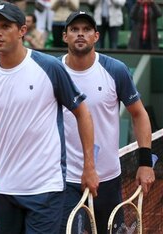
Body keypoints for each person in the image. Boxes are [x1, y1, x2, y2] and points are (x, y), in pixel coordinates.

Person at [0, 2, 99, 233]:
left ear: (22, 30)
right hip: (5, 190)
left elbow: (82, 112)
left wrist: (89, 167)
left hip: (46, 188)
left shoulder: (49, 67)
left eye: (5, 26)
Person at [60, 11, 155, 233]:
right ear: (65, 36)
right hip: (65, 181)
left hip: (109, 180)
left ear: (96, 36)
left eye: (86, 30)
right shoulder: (55, 71)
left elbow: (139, 114)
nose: (80, 34)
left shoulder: (115, 70)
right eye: (74, 30)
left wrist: (144, 162)